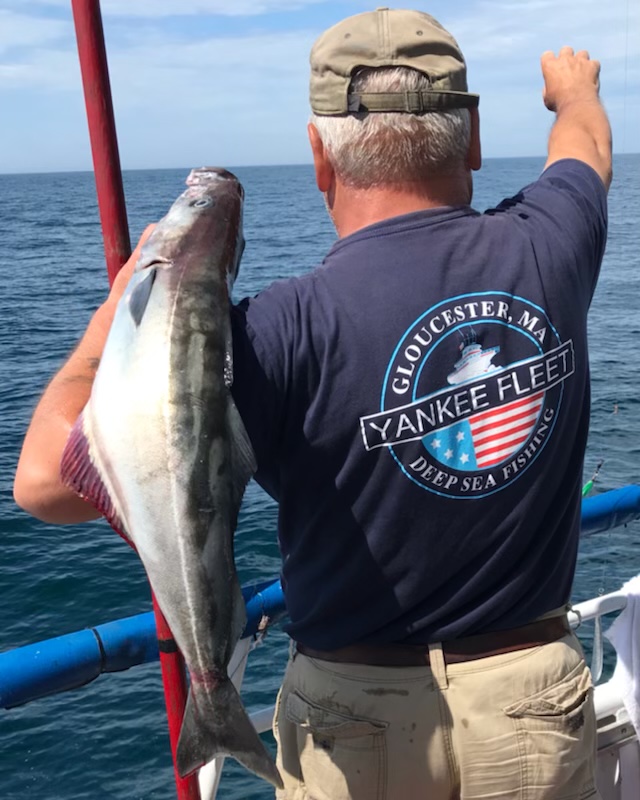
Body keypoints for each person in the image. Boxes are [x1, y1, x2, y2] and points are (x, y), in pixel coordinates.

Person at [14, 8, 611, 800]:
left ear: (319, 157)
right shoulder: (552, 243)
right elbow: (586, 148)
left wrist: (114, 325)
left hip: (350, 720)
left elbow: (45, 485)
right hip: (531, 706)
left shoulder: (268, 336)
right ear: (470, 140)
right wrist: (573, 88)